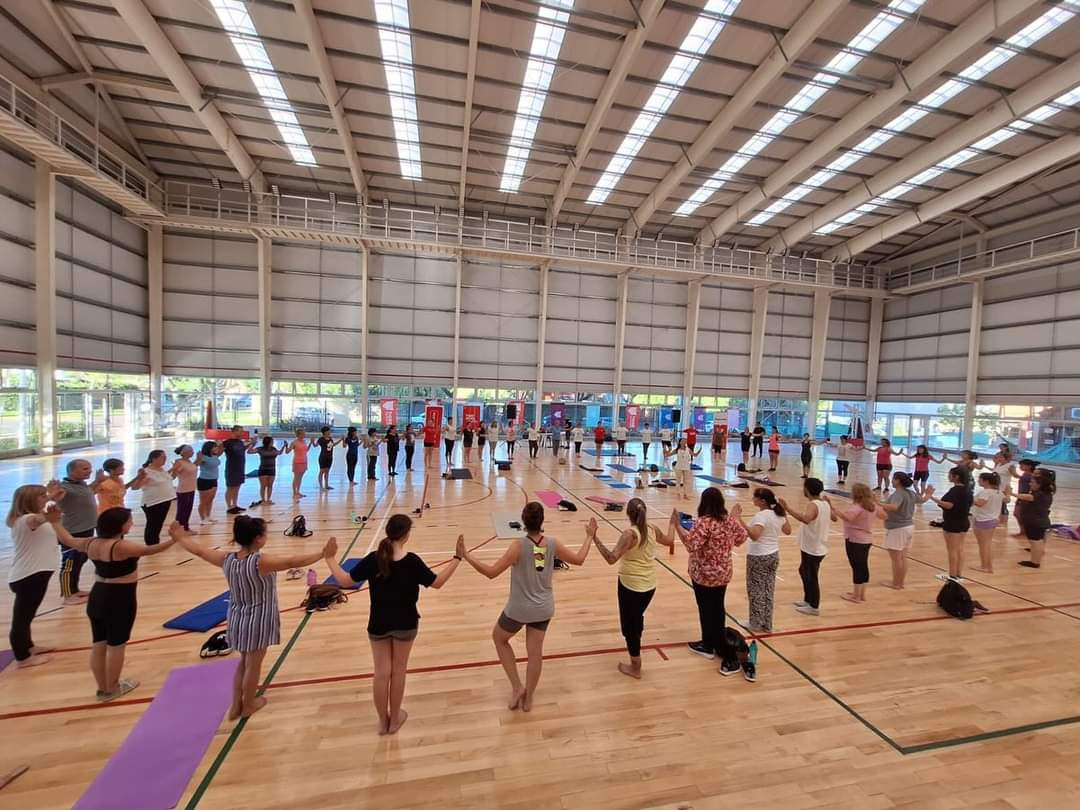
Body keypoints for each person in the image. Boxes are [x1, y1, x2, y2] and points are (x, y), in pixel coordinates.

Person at [174, 516, 335, 720]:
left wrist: (180, 537)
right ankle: (249, 704)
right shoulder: (260, 562)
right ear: (258, 539)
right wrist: (323, 554)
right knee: (253, 664)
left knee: (243, 661)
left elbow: (199, 551)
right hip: (259, 617)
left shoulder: (227, 559)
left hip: (236, 616)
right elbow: (292, 561)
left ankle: (235, 705)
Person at [327, 514, 461, 733]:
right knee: (398, 671)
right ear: (406, 535)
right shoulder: (412, 561)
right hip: (406, 623)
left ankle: (383, 721)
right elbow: (438, 583)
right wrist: (457, 558)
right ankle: (395, 718)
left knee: (381, 673)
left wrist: (330, 558)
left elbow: (344, 581)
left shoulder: (374, 559)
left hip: (378, 623)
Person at [458, 502, 594, 712]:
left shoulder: (518, 546)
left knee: (499, 638)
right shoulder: (552, 543)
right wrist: (589, 536)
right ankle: (529, 697)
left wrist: (466, 555)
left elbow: (491, 572)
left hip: (519, 609)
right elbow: (579, 559)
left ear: (523, 521)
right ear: (542, 522)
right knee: (535, 653)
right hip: (544, 609)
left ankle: (517, 687)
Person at [86, 508, 177, 701]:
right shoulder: (122, 547)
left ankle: (102, 688)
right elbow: (151, 550)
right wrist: (175, 539)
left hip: (97, 596)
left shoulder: (91, 543)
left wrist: (55, 523)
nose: (132, 524)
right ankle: (112, 689)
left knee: (98, 643)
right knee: (116, 645)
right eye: (129, 521)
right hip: (118, 599)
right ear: (120, 526)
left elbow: (68, 539)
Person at [590, 498, 674, 679]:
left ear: (628, 514)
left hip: (631, 586)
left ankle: (636, 666)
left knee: (629, 627)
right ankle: (636, 651)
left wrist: (594, 537)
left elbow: (611, 558)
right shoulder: (652, 529)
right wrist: (673, 524)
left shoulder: (630, 535)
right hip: (649, 586)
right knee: (636, 619)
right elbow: (669, 541)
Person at [7, 482, 88, 668]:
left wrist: (97, 542)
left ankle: (28, 647)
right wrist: (49, 508)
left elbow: (68, 540)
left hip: (38, 575)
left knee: (27, 616)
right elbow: (35, 520)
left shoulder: (43, 520)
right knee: (22, 619)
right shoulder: (25, 520)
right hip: (28, 577)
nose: (46, 498)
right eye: (42, 496)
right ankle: (23, 658)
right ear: (30, 499)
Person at [669, 488, 748, 677]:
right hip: (722, 574)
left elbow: (690, 545)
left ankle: (730, 656)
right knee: (713, 609)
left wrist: (677, 525)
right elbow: (742, 538)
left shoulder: (704, 522)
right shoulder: (728, 521)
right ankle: (708, 643)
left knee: (711, 612)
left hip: (704, 575)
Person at [734, 488, 791, 633]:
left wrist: (739, 519)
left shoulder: (762, 516)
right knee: (768, 589)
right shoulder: (777, 513)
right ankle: (767, 623)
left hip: (759, 556)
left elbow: (754, 535)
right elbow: (788, 530)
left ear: (762, 501)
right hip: (773, 555)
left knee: (755, 590)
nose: (753, 499)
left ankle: (755, 623)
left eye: (755, 497)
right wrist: (785, 514)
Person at [780, 477, 831, 616]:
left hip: (814, 547)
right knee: (804, 571)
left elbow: (806, 519)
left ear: (807, 489)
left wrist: (787, 509)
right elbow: (833, 518)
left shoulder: (814, 504)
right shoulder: (824, 503)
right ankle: (808, 600)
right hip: (813, 545)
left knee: (811, 575)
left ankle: (814, 606)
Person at [57, 458, 97, 604]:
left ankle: (75, 589)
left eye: (89, 468)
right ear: (72, 471)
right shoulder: (64, 487)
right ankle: (68, 595)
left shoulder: (82, 485)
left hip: (86, 528)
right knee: (70, 562)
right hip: (73, 531)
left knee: (81, 560)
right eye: (85, 469)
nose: (89, 471)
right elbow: (55, 497)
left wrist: (98, 481)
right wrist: (52, 493)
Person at [832, 483, 880, 603]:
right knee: (863, 566)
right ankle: (861, 594)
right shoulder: (872, 506)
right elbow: (884, 515)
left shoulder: (857, 507)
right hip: (867, 539)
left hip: (855, 540)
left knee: (857, 567)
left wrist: (834, 509)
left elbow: (848, 517)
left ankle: (856, 596)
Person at [925, 466, 973, 582]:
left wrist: (931, 497)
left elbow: (949, 505)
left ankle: (952, 575)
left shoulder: (955, 491)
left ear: (956, 477)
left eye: (950, 474)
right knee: (959, 549)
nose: (948, 476)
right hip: (963, 521)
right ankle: (958, 574)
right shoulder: (968, 490)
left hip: (953, 523)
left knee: (952, 550)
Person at [876, 472, 918, 590]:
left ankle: (896, 583)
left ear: (898, 481)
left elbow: (894, 507)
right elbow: (923, 499)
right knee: (903, 557)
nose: (892, 481)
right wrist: (930, 494)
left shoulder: (898, 494)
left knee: (896, 558)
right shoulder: (911, 493)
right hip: (909, 526)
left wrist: (878, 503)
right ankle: (900, 582)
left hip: (898, 528)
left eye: (893, 479)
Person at [129, 451, 175, 546]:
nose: (165, 459)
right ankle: (151, 544)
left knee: (158, 524)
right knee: (153, 524)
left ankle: (155, 543)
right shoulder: (146, 471)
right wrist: (140, 478)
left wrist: (174, 469)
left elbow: (167, 479)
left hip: (165, 500)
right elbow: (135, 487)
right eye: (163, 457)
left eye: (165, 457)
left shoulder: (161, 470)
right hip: (153, 503)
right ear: (154, 459)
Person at [1015, 468, 1054, 569]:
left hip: (1035, 521)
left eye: (1032, 482)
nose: (1030, 484)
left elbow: (1026, 497)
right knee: (1038, 541)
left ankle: (1035, 562)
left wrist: (1011, 493)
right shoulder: (1046, 493)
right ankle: (1035, 560)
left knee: (1035, 541)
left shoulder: (1039, 495)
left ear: (1039, 484)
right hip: (1040, 520)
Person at [971, 471, 1003, 573]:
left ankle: (985, 567)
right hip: (992, 519)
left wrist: (968, 498)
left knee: (983, 545)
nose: (978, 481)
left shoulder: (986, 492)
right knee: (987, 544)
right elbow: (1006, 499)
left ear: (986, 481)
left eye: (980, 479)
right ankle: (988, 566)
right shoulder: (998, 492)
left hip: (983, 520)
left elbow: (980, 503)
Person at [168, 445, 199, 533]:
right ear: (184, 452)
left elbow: (192, 469)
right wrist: (174, 470)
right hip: (183, 490)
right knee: (182, 511)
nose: (192, 452)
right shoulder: (179, 462)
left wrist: (198, 459)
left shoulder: (189, 462)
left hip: (191, 489)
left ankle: (185, 528)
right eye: (191, 451)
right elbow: (173, 476)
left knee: (188, 510)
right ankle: (178, 530)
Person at [221, 425, 249, 515]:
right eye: (240, 431)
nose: (242, 433)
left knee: (237, 487)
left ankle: (235, 504)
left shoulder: (240, 442)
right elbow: (218, 451)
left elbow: (242, 450)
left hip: (240, 467)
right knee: (230, 487)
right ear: (234, 431)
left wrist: (251, 443)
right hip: (232, 467)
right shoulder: (227, 443)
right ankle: (229, 506)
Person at [248, 436, 282, 506]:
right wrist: (253, 444)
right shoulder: (260, 449)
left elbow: (279, 453)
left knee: (270, 485)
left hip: (272, 469)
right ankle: (263, 500)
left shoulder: (274, 449)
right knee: (263, 486)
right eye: (272, 441)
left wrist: (284, 446)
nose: (273, 442)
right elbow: (249, 452)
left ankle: (268, 500)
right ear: (268, 442)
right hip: (263, 469)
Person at [195, 441, 222, 524]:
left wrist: (220, 445)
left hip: (214, 480)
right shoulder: (203, 457)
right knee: (203, 501)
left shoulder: (215, 456)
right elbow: (195, 465)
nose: (216, 448)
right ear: (209, 448)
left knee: (210, 500)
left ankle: (208, 516)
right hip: (204, 480)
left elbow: (221, 450)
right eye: (214, 447)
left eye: (216, 447)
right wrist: (198, 458)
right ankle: (202, 519)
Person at [1011, 458, 1038, 538]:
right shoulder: (1025, 474)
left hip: (1025, 497)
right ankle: (1023, 531)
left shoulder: (1032, 475)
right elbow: (1018, 477)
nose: (1020, 466)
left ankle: (1025, 532)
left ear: (1029, 466)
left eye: (1022, 465)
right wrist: (1013, 472)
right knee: (1017, 514)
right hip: (1021, 496)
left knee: (1020, 514)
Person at [283, 428, 312, 499]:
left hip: (304, 461)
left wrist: (311, 443)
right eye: (303, 434)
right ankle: (294, 493)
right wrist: (286, 446)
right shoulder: (294, 442)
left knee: (300, 478)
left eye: (304, 434)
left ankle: (298, 492)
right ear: (298, 434)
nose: (304, 435)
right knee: (296, 478)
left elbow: (306, 450)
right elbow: (287, 452)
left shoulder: (304, 442)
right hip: (297, 462)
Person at [315, 426, 337, 491]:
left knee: (327, 472)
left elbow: (332, 445)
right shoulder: (321, 439)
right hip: (323, 457)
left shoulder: (330, 439)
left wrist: (340, 440)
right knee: (321, 471)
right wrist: (312, 442)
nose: (329, 432)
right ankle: (321, 486)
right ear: (325, 432)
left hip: (330, 457)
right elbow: (315, 445)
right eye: (328, 431)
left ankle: (326, 485)